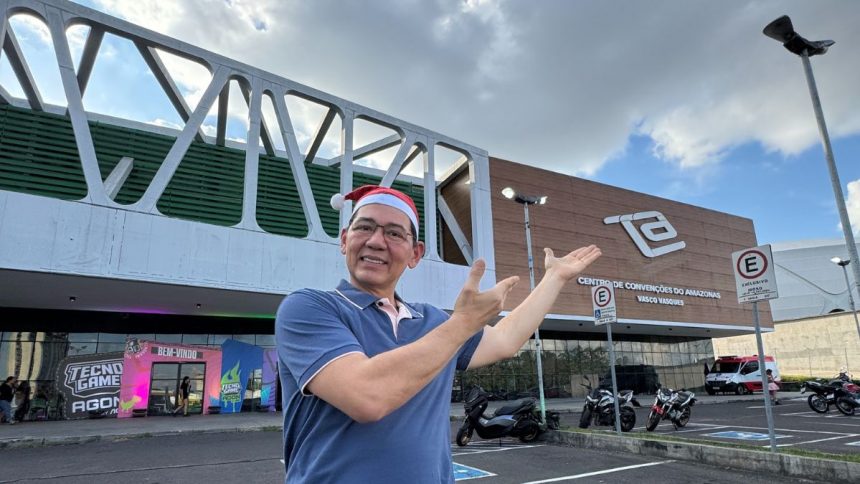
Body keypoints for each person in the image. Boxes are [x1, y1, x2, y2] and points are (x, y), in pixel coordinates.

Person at [276, 185, 602, 483]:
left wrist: (554, 279)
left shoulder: (432, 320)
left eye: (394, 233)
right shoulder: (309, 308)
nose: (375, 241)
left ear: (415, 254)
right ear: (344, 240)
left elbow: (504, 340)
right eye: (364, 227)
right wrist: (462, 323)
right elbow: (367, 397)